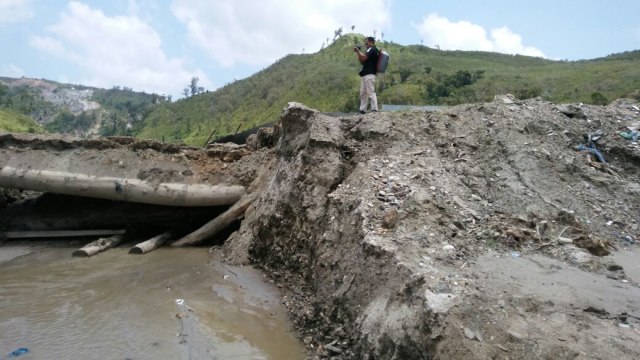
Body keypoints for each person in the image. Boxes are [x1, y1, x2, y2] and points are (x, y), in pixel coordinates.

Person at [354, 36, 379, 114]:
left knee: (370, 91)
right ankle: (362, 110)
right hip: (365, 74)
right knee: (363, 92)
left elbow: (364, 58)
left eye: (366, 42)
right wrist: (358, 52)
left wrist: (358, 50)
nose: (365, 43)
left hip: (370, 74)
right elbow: (362, 61)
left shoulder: (372, 49)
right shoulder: (368, 50)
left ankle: (374, 109)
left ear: (371, 42)